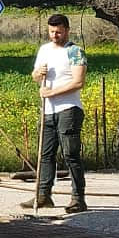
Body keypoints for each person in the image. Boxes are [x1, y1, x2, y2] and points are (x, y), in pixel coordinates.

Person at [27, 13, 88, 213]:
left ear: (67, 30)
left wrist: (51, 92)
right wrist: (38, 75)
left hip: (68, 109)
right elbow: (35, 76)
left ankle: (78, 198)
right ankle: (43, 195)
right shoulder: (44, 50)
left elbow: (78, 82)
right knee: (45, 154)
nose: (55, 35)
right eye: (52, 31)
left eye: (59, 32)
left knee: (70, 154)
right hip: (48, 111)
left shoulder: (74, 51)